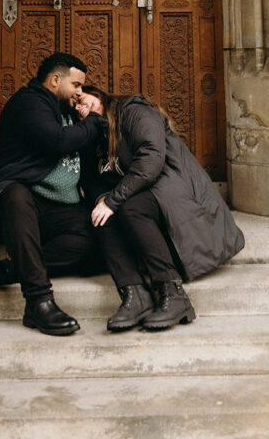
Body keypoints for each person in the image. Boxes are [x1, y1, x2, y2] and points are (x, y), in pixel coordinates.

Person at [76, 86, 245, 332]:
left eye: (80, 99)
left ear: (98, 95)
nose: (78, 107)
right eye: (73, 108)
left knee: (129, 209)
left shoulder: (133, 112)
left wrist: (113, 200)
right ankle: (135, 295)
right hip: (149, 195)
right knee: (101, 217)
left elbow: (151, 160)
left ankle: (174, 294)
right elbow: (92, 180)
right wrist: (105, 201)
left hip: (178, 192)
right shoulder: (96, 135)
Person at [0, 52, 104, 336]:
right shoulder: (28, 103)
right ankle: (38, 301)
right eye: (76, 86)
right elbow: (58, 141)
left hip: (46, 207)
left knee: (94, 234)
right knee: (15, 193)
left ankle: (7, 271)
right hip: (6, 208)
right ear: (55, 80)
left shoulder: (66, 111)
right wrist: (92, 121)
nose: (80, 93)